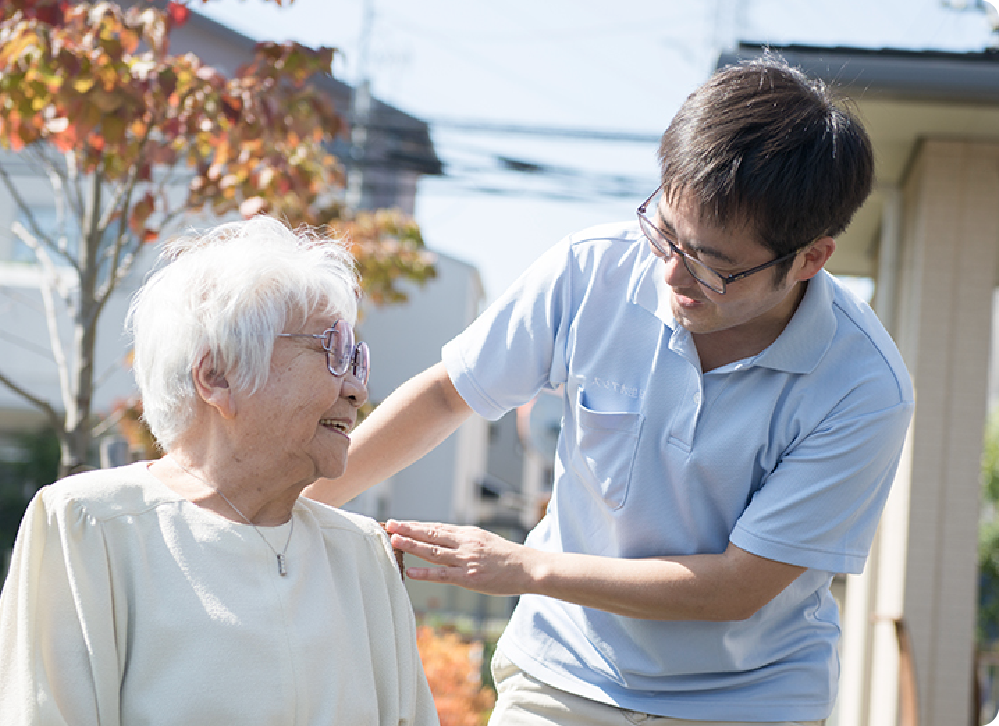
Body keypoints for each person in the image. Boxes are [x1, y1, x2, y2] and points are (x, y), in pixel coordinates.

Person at [306, 54, 915, 725]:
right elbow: (451, 395)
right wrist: (288, 506)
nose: (674, 276)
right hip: (562, 670)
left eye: (715, 268)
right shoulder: (591, 270)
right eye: (667, 235)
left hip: (747, 700)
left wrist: (523, 567)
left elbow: (738, 586)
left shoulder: (862, 387)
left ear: (810, 258)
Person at [0, 217, 439, 726]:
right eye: (331, 352)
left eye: (357, 358)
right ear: (217, 375)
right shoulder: (92, 527)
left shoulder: (361, 555)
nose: (358, 389)